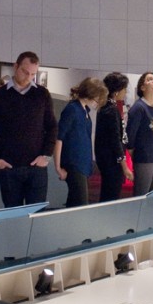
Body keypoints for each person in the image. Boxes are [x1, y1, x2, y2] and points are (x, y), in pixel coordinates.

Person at [0, 51, 57, 208]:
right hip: (9, 166)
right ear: (16, 66)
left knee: (36, 215)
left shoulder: (42, 94)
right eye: (25, 72)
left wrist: (46, 155)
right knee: (12, 214)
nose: (28, 77)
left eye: (33, 74)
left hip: (36, 167)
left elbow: (52, 126)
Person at [53, 77, 107, 208]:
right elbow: (59, 138)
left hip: (83, 163)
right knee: (81, 203)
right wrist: (58, 167)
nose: (97, 102)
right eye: (97, 99)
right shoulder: (72, 109)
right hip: (74, 163)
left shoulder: (84, 111)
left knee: (75, 203)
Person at [95, 71, 133, 202]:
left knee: (108, 193)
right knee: (111, 194)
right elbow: (115, 139)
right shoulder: (111, 110)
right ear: (116, 91)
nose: (125, 92)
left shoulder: (105, 107)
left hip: (106, 159)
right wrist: (124, 166)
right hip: (111, 161)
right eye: (124, 89)